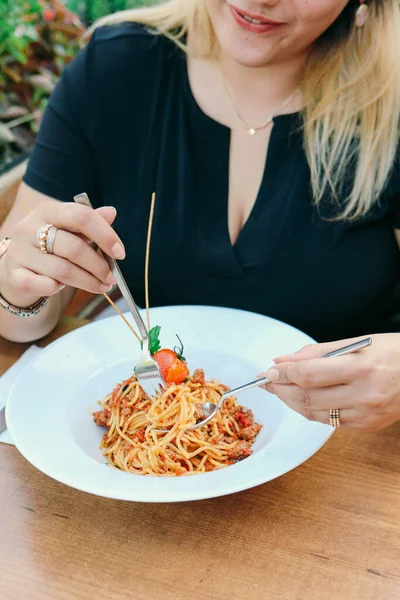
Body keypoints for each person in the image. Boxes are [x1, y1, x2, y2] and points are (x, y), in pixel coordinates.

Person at [0, 0, 400, 431]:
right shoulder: (115, 69)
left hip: (360, 457)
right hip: (138, 472)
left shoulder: (390, 100)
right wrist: (18, 286)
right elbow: (17, 316)